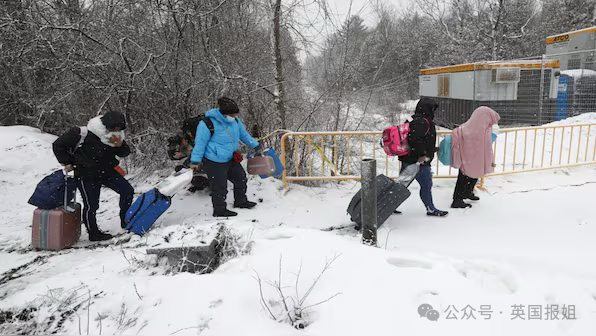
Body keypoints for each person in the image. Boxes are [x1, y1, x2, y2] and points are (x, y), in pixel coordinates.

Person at [52, 110, 134, 241]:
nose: (117, 130)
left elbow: (124, 153)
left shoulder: (115, 136)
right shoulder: (81, 133)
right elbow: (58, 145)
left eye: (120, 128)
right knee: (91, 205)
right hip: (85, 174)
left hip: (107, 171)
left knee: (128, 191)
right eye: (114, 127)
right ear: (106, 124)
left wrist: (119, 144)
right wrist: (67, 162)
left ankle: (126, 220)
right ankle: (93, 233)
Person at [189, 97, 262, 217]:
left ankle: (240, 201)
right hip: (214, 160)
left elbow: (243, 135)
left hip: (231, 158)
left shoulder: (235, 121)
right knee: (219, 186)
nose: (234, 116)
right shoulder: (207, 123)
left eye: (235, 114)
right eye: (232, 114)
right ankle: (219, 210)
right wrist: (195, 160)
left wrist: (255, 145)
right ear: (224, 113)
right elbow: (200, 143)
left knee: (241, 178)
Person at [398, 97, 449, 217]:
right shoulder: (423, 121)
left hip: (410, 158)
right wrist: (422, 155)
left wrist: (431, 149)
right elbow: (415, 139)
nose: (434, 112)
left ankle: (386, 205)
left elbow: (419, 139)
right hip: (418, 161)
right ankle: (430, 209)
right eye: (433, 109)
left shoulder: (415, 119)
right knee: (426, 185)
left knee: (401, 185)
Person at [450, 106, 500, 208]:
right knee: (464, 176)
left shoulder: (480, 128)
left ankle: (468, 192)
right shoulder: (469, 129)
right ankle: (457, 199)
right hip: (466, 158)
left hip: (475, 157)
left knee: (475, 173)